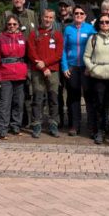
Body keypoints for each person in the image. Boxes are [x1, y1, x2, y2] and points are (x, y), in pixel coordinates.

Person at [83, 13, 109, 145]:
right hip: (98, 77)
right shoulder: (93, 38)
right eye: (102, 22)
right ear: (98, 24)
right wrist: (93, 69)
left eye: (107, 22)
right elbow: (86, 56)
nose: (104, 24)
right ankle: (100, 130)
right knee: (99, 105)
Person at [28, 9, 64, 138]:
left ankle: (53, 124)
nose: (48, 19)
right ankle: (36, 125)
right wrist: (43, 67)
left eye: (50, 17)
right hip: (37, 71)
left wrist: (46, 64)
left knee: (53, 99)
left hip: (53, 71)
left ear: (53, 19)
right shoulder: (34, 34)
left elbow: (59, 54)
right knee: (37, 99)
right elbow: (31, 53)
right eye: (46, 17)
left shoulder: (58, 35)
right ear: (41, 17)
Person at [61, 4, 96, 136]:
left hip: (86, 68)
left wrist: (90, 66)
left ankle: (92, 126)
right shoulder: (68, 29)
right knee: (73, 97)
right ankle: (74, 125)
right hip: (72, 67)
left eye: (81, 13)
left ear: (85, 16)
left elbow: (95, 49)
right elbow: (63, 50)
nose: (79, 15)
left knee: (89, 97)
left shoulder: (91, 29)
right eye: (76, 13)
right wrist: (64, 67)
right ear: (73, 15)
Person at [0, 14, 28, 139]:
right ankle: (2, 128)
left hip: (20, 73)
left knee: (18, 102)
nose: (12, 26)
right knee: (5, 103)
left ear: (18, 25)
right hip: (5, 74)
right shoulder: (1, 38)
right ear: (6, 25)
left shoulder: (23, 38)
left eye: (14, 24)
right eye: (9, 24)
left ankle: (15, 126)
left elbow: (27, 56)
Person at [55, 0, 74, 128]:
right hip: (55, 62)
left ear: (70, 8)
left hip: (69, 62)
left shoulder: (74, 21)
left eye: (65, 6)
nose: (63, 8)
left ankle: (72, 120)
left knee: (72, 93)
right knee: (57, 93)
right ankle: (59, 119)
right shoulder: (54, 21)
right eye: (61, 6)